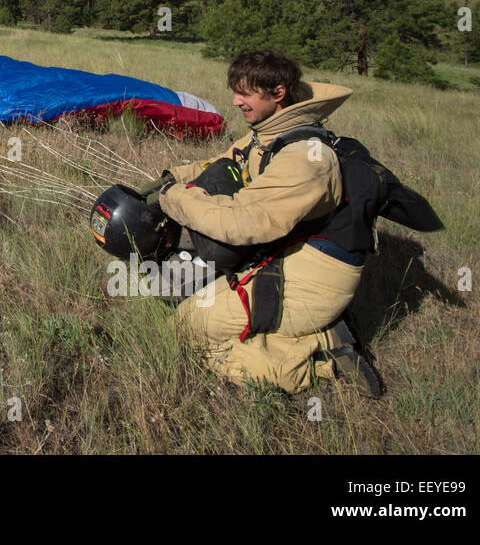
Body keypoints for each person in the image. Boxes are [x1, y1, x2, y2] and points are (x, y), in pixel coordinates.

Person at [147, 49, 381, 397]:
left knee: (186, 330)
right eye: (235, 90)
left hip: (315, 275)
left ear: (278, 93)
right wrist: (166, 180)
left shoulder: (306, 159)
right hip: (289, 254)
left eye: (245, 93)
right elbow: (223, 160)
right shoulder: (267, 135)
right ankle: (306, 329)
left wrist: (174, 199)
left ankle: (324, 354)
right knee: (180, 286)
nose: (235, 100)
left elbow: (241, 222)